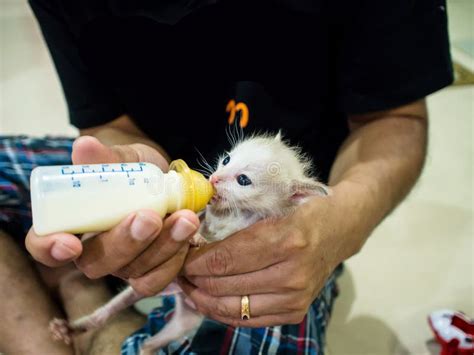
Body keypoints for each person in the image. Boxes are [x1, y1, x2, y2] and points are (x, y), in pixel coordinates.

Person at [0, 0, 452, 353]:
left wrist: (339, 225)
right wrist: (129, 163)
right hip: (158, 176)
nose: (217, 178)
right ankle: (86, 301)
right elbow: (104, 120)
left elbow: (395, 120)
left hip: (297, 232)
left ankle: (80, 293)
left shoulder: (293, 201)